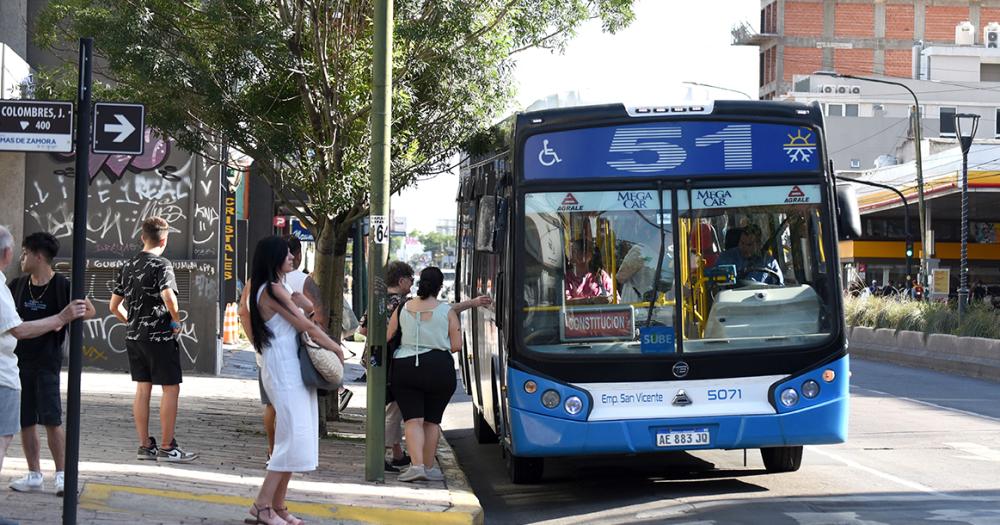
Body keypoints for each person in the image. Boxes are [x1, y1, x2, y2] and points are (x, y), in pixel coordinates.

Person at [245, 236, 345, 525]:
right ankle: (263, 505)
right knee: (291, 436)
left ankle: (278, 505)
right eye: (287, 254)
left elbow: (306, 313)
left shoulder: (281, 287)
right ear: (274, 258)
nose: (292, 257)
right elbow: (303, 325)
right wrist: (335, 347)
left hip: (289, 366)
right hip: (283, 367)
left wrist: (302, 302)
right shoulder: (273, 289)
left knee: (296, 435)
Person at [0, 226, 87, 510]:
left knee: (51, 419)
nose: (21, 258)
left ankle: (61, 475)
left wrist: (67, 317)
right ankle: (34, 473)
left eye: (25, 254)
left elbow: (86, 309)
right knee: (25, 421)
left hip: (47, 363)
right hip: (19, 363)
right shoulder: (17, 286)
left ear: (39, 257)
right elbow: (16, 328)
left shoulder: (63, 285)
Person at [110, 217, 197, 463]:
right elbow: (168, 296)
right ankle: (168, 447)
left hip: (134, 336)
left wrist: (130, 322)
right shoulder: (162, 265)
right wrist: (176, 320)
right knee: (170, 388)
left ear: (142, 237)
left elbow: (113, 306)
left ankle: (145, 445)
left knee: (142, 388)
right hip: (159, 336)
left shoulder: (127, 265)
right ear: (164, 240)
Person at [386, 267, 461, 482]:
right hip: (439, 369)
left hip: (406, 368)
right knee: (432, 421)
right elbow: (456, 346)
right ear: (440, 287)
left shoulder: (403, 307)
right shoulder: (447, 311)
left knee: (412, 420)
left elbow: (389, 335)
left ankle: (416, 466)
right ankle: (429, 467)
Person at [715, 224, 784, 285]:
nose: (744, 248)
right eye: (742, 243)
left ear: (758, 244)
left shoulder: (768, 261)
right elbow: (715, 284)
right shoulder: (726, 258)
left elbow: (780, 284)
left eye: (749, 245)